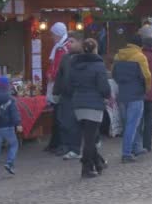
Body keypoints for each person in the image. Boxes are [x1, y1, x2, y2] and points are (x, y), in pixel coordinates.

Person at [70, 39, 112, 178]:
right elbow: (103, 87)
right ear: (95, 49)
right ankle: (86, 167)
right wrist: (107, 95)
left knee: (89, 136)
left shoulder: (74, 64)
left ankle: (98, 162)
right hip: (93, 104)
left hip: (78, 103)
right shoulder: (98, 65)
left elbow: (70, 82)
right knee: (90, 140)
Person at [112, 35, 151, 163]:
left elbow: (114, 74)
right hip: (136, 94)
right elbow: (147, 76)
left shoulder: (118, 56)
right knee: (133, 124)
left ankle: (137, 147)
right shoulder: (140, 57)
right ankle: (127, 153)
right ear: (140, 45)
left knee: (128, 124)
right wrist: (146, 89)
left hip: (122, 94)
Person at [52, 31, 84, 160]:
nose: (69, 44)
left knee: (74, 124)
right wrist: (56, 92)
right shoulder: (65, 58)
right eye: (68, 41)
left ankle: (75, 148)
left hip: (78, 95)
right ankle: (66, 146)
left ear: (80, 42)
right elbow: (60, 76)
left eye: (72, 41)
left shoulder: (84, 57)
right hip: (65, 95)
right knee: (64, 121)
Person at [44, 22, 71, 155]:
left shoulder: (64, 48)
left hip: (61, 86)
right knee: (56, 115)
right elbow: (54, 65)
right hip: (56, 84)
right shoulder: (59, 47)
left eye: (53, 34)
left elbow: (61, 67)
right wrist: (49, 73)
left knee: (61, 116)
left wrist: (52, 75)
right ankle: (55, 143)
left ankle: (63, 144)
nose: (52, 37)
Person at [0, 76, 22, 176]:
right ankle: (9, 163)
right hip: (8, 126)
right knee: (14, 144)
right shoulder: (10, 99)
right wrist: (18, 124)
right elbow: (14, 113)